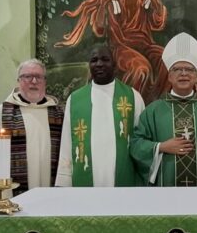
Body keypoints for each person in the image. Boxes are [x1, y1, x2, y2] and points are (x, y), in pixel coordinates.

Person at [56, 0, 169, 102]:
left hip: (145, 44)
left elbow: (157, 24)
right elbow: (100, 30)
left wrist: (155, 2)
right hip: (121, 46)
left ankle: (155, 104)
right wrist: (105, 3)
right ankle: (128, 105)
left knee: (167, 59)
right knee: (141, 68)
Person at [130, 33, 197, 186]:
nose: (183, 73)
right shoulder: (153, 111)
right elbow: (136, 145)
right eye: (177, 69)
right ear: (169, 76)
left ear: (196, 76)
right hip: (166, 189)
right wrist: (161, 147)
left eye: (189, 69)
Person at [57, 45, 145, 187]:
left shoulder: (133, 97)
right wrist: (63, 181)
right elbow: (67, 143)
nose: (99, 64)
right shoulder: (75, 100)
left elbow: (141, 142)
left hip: (124, 180)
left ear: (114, 65)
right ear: (89, 65)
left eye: (105, 59)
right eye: (94, 60)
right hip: (85, 179)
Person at [0, 59, 64, 200]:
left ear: (45, 81)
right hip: (13, 195)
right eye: (28, 77)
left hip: (51, 192)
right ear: (18, 81)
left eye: (39, 77)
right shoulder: (3, 112)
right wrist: (0, 196)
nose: (34, 81)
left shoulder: (57, 113)